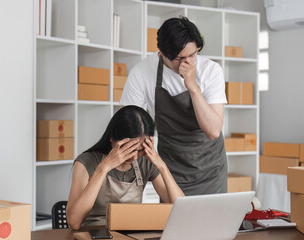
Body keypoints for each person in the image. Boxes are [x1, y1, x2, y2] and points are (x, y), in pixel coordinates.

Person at [120, 16, 228, 196]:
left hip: (211, 170)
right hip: (171, 169)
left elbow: (213, 130)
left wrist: (193, 87)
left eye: (193, 55)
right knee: (173, 221)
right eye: (180, 58)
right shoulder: (142, 72)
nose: (187, 63)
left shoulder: (211, 71)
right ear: (161, 53)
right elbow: (128, 122)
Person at [66, 105, 184, 230]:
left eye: (139, 150)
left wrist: (162, 166)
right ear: (112, 137)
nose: (134, 158)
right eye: (128, 149)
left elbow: (182, 212)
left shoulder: (145, 162)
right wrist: (104, 168)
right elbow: (74, 221)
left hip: (131, 232)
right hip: (94, 234)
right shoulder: (87, 162)